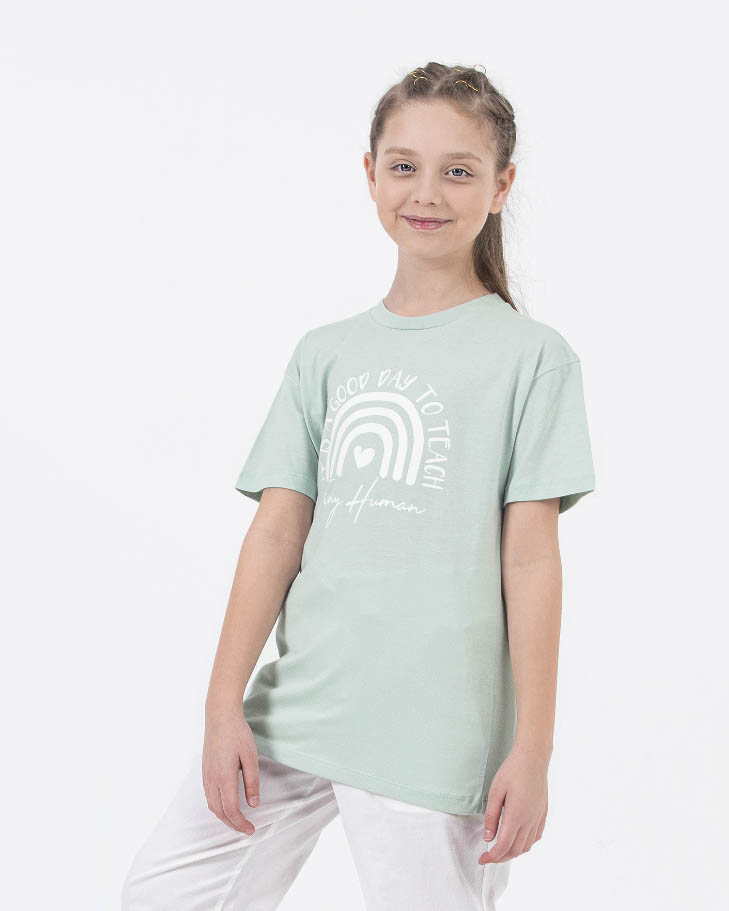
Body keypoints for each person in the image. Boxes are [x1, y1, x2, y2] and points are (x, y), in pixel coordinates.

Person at [121, 61, 596, 910]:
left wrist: (533, 748)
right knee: (160, 893)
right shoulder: (326, 352)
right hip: (296, 710)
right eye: (404, 165)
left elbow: (530, 561)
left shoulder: (532, 359)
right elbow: (276, 532)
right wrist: (222, 705)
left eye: (459, 170)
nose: (427, 191)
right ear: (370, 173)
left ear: (501, 186)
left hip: (432, 730)